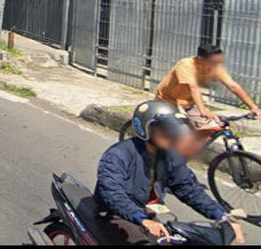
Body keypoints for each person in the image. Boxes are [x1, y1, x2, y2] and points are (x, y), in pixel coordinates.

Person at [95, 100, 243, 244]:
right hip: (116, 216)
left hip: (146, 215)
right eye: (163, 129)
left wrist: (221, 216)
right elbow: (111, 192)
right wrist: (141, 218)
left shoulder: (170, 155)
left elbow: (188, 188)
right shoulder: (119, 154)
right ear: (145, 128)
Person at [156, 43, 261, 130]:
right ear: (200, 59)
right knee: (178, 131)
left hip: (189, 103)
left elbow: (232, 85)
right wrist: (203, 110)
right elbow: (193, 87)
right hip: (167, 101)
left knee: (215, 127)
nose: (216, 65)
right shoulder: (185, 65)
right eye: (213, 62)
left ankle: (195, 151)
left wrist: (253, 107)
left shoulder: (214, 68)